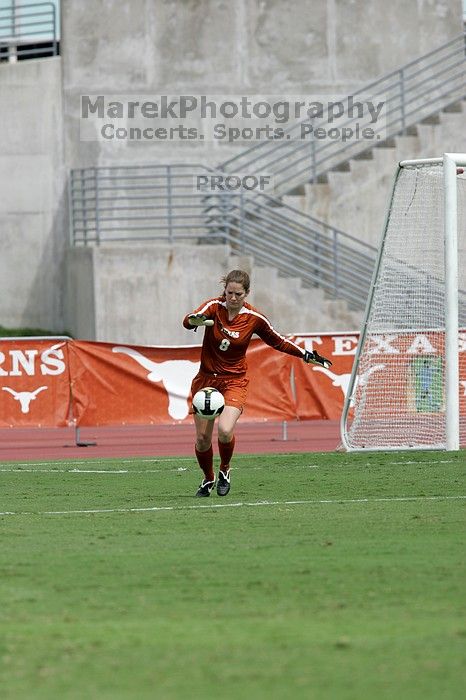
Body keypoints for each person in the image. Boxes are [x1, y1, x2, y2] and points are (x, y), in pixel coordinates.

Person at [183, 269, 332, 498]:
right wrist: (193, 321)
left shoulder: (254, 318)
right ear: (224, 290)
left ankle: (224, 470)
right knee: (202, 439)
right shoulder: (214, 306)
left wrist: (306, 354)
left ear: (247, 294)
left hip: (234, 381)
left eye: (238, 294)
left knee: (224, 430)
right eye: (229, 293)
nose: (232, 298)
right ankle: (208, 478)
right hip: (206, 380)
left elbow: (278, 341)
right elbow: (190, 319)